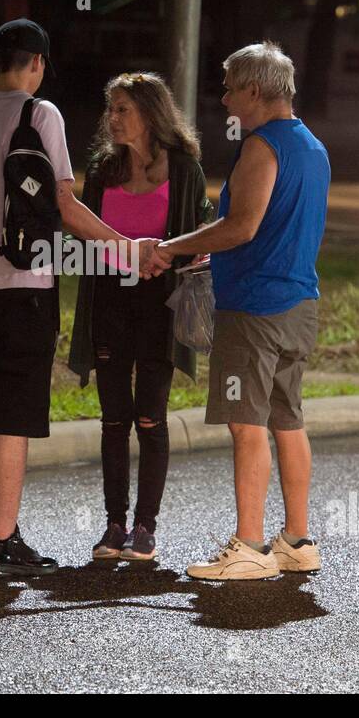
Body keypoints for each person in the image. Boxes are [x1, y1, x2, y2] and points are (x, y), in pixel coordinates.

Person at [0, 19, 141, 578]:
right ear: (36, 64)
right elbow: (64, 205)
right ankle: (1, 543)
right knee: (13, 420)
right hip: (27, 292)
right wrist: (127, 247)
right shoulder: (42, 114)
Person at [147, 41, 330, 580]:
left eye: (229, 88)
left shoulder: (262, 146)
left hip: (253, 308)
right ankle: (297, 540)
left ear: (254, 90)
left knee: (246, 426)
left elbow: (242, 226)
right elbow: (273, 227)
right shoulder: (311, 146)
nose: (224, 99)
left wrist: (173, 246)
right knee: (288, 420)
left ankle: (249, 546)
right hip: (299, 302)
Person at [67, 72, 214, 562]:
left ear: (151, 113)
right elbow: (81, 236)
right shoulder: (103, 169)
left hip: (160, 306)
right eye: (110, 108)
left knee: (150, 417)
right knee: (114, 420)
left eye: (122, 108)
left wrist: (170, 258)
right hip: (110, 301)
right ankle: (114, 525)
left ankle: (146, 528)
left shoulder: (185, 168)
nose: (112, 118)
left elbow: (200, 233)